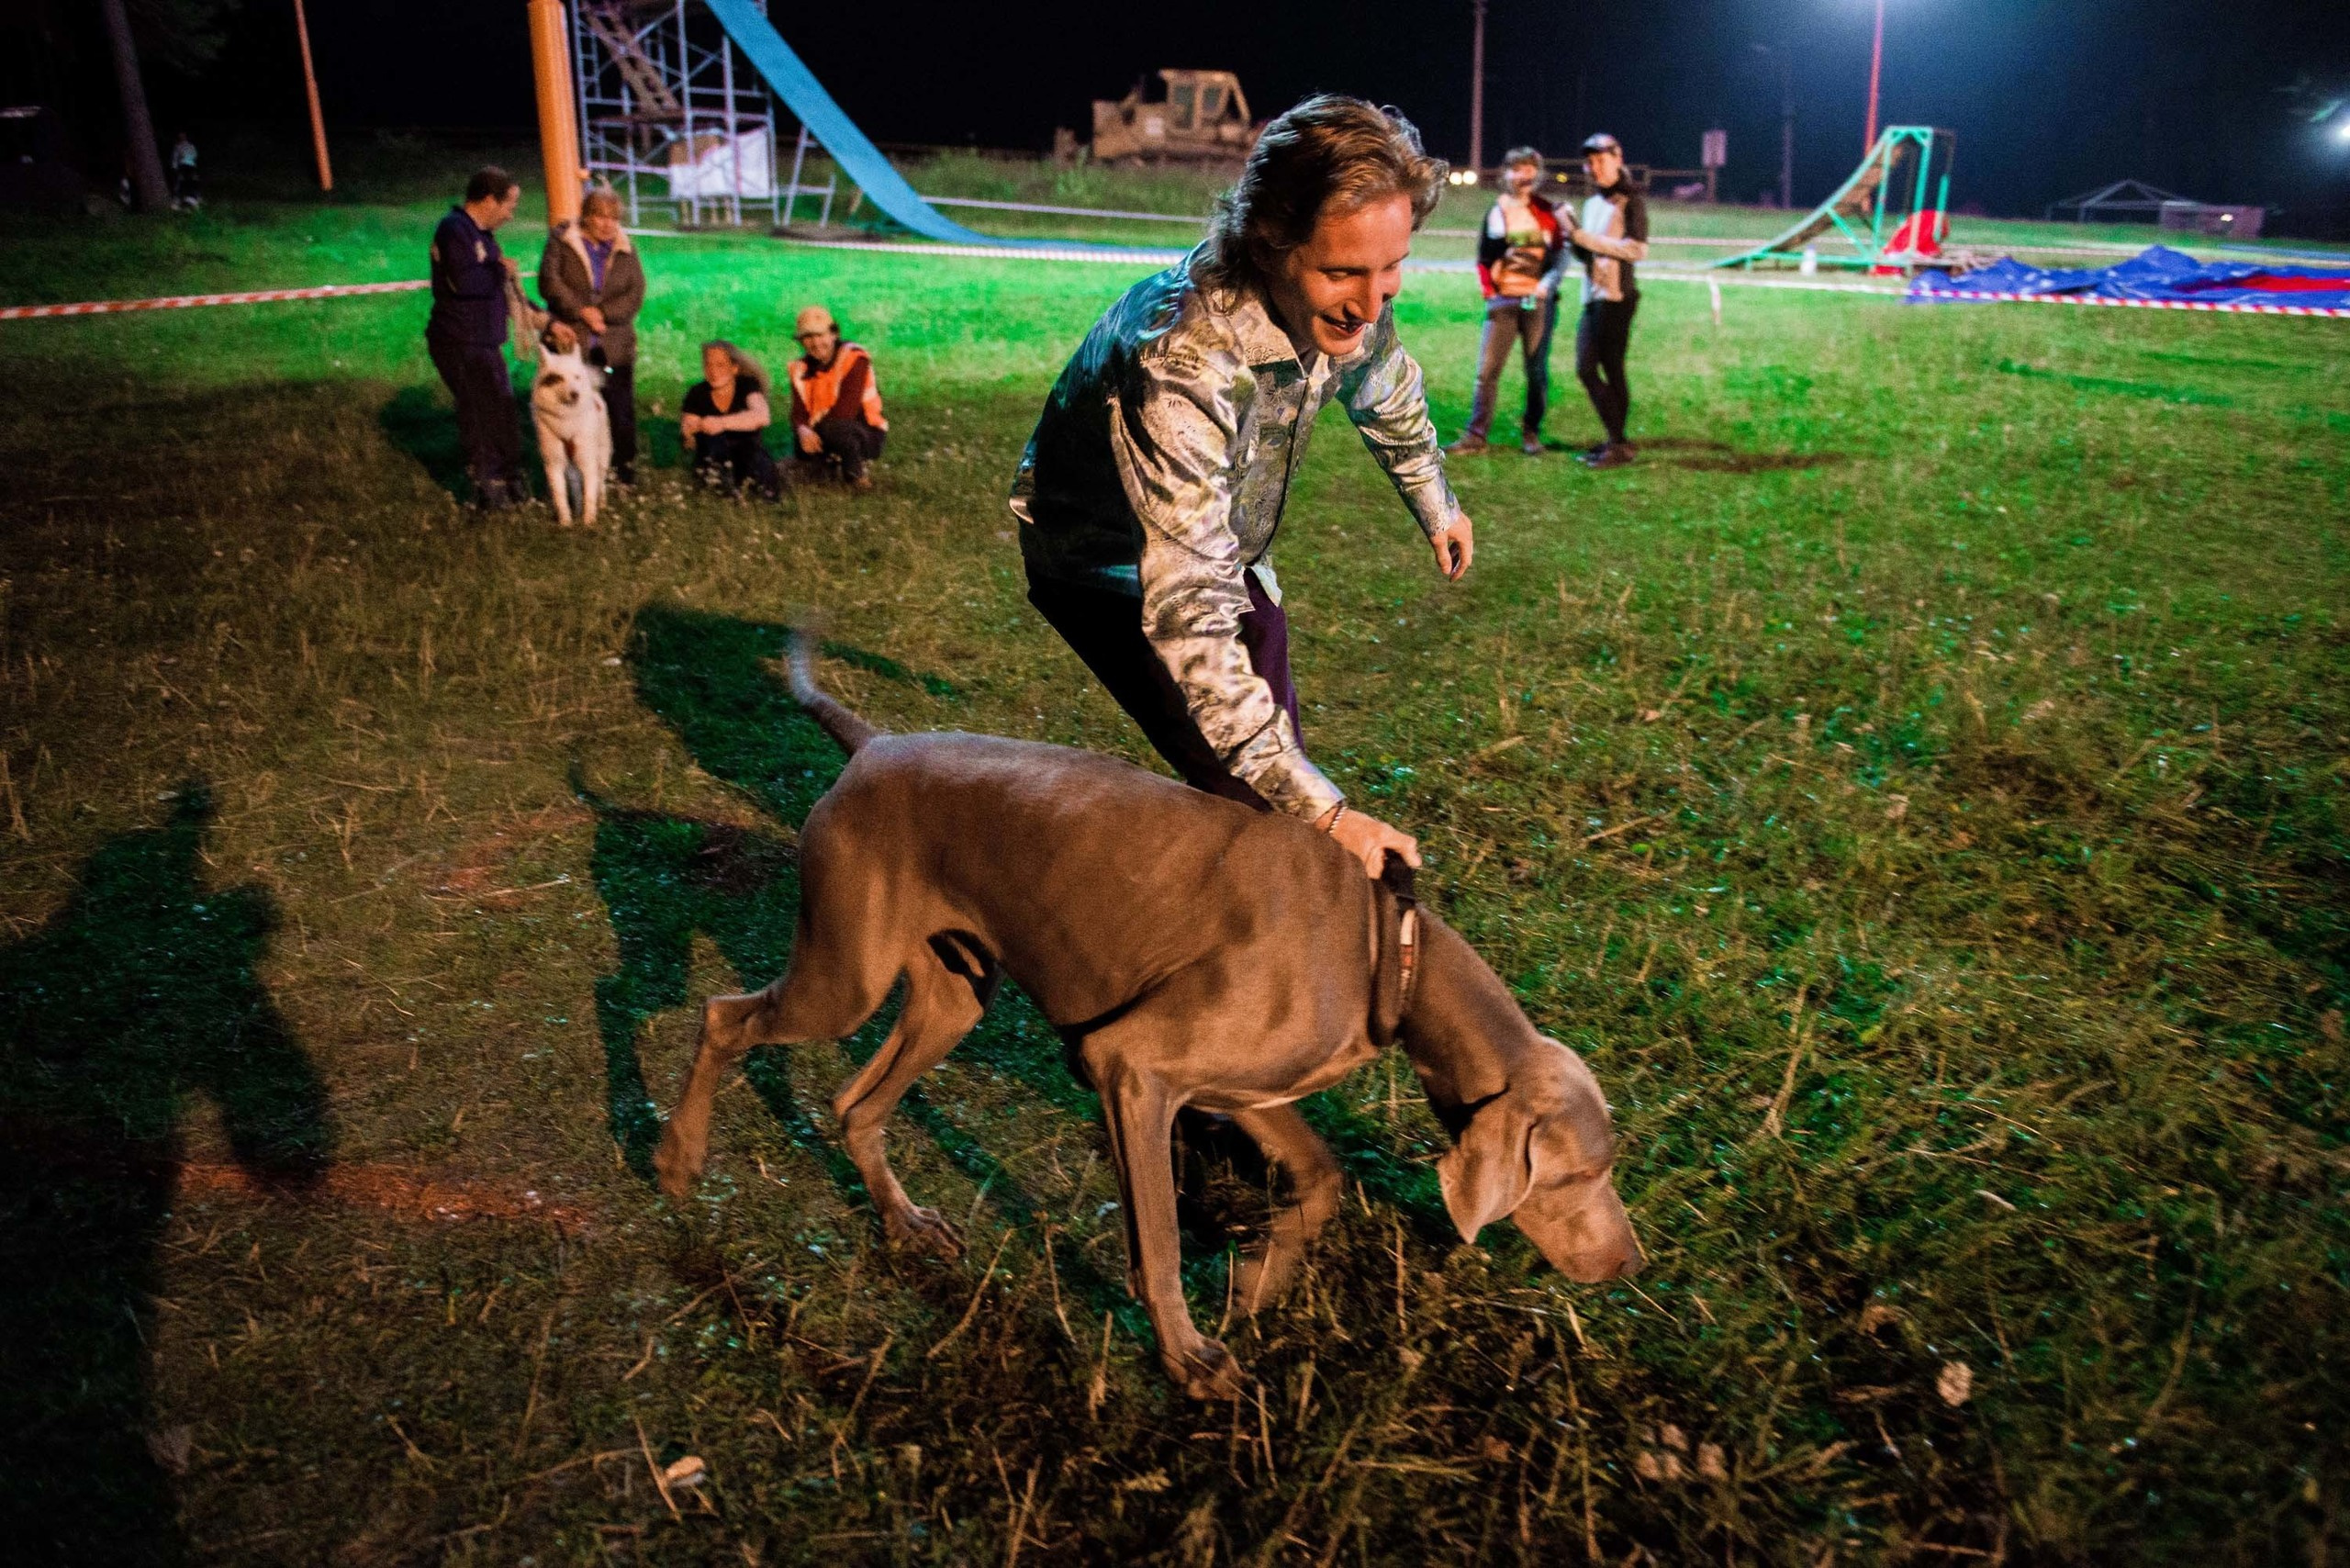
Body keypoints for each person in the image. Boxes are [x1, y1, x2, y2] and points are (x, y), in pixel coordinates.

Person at [1011, 95, 1472, 878]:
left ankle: (1269, 896)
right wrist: (1326, 812)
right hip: (1107, 565)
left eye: (1391, 267)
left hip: (1230, 547)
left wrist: (1435, 498)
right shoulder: (1181, 359)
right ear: (1268, 239)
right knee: (1254, 792)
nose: (1371, 301)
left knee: (1275, 757)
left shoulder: (1356, 302)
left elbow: (1381, 379)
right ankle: (1192, 957)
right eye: (1342, 273)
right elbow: (1190, 605)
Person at [1448, 146, 1571, 458]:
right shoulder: (1498, 211)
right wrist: (1490, 292)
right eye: (1517, 168)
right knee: (1487, 371)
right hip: (1503, 301)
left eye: (1529, 168)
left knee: (1535, 370)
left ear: (1537, 174)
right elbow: (1484, 258)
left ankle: (1531, 433)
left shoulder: (1549, 212)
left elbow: (1560, 259)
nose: (1524, 174)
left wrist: (1545, 285)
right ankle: (1476, 435)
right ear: (1507, 174)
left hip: (1536, 303)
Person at [426, 166, 529, 509]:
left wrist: (540, 315)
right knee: (479, 414)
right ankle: (488, 490)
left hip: (485, 340)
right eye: (509, 205)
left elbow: (496, 285)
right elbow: (467, 283)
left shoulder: (483, 236)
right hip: (459, 341)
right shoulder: (454, 230)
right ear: (488, 200)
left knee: (501, 410)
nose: (512, 214)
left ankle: (510, 481)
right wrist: (500, 270)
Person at [538, 187, 646, 485]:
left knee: (619, 411)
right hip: (572, 342)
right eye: (599, 216)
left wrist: (605, 313)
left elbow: (635, 292)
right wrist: (581, 311)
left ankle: (622, 471)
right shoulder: (562, 242)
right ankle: (575, 475)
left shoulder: (625, 249)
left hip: (614, 345)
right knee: (572, 411)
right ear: (586, 216)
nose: (606, 224)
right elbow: (550, 282)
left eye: (613, 218)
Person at [1562, 133, 1649, 468]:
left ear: (1617, 157)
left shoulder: (1631, 199)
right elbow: (1591, 254)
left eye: (1601, 159)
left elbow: (1638, 250)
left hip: (1618, 297)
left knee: (1601, 369)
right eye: (1590, 161)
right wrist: (1574, 240)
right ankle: (1617, 440)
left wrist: (1589, 240)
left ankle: (1619, 443)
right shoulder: (1593, 202)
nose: (1594, 167)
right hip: (1593, 296)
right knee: (1593, 369)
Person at [785, 306, 888, 492]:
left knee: (836, 428)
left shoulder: (855, 358)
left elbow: (845, 411)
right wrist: (804, 431)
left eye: (820, 335)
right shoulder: (799, 369)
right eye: (808, 338)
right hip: (823, 430)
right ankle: (825, 468)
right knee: (802, 444)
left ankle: (856, 477)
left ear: (834, 334)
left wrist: (814, 430)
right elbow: (798, 413)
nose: (815, 343)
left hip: (863, 430)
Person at [681, 341, 782, 500]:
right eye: (709, 365)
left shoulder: (746, 386)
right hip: (714, 455)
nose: (713, 372)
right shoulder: (697, 393)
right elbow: (688, 430)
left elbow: (762, 416)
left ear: (734, 368)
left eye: (720, 365)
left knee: (758, 464)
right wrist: (692, 432)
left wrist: (720, 423)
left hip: (747, 452)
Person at [168, 131, 199, 210]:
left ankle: (185, 201)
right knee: (189, 182)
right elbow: (195, 155)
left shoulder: (181, 146)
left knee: (184, 182)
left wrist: (174, 167)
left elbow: (175, 158)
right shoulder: (188, 146)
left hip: (185, 166)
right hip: (189, 166)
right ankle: (189, 200)